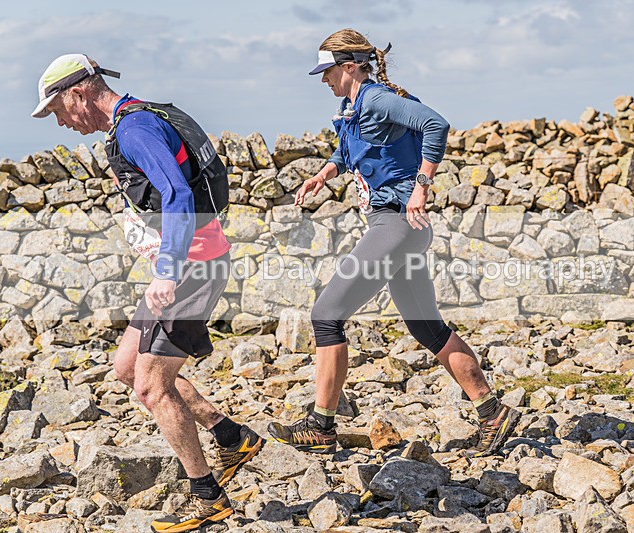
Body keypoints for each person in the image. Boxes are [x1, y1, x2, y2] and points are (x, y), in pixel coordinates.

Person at [32, 54, 263, 532]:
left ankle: (207, 498)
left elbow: (177, 194)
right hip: (186, 266)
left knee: (151, 387)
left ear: (78, 94)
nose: (60, 122)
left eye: (57, 110)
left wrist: (167, 270)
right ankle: (230, 435)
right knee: (126, 368)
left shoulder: (134, 129)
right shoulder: (136, 119)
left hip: (189, 270)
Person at [267, 29, 517, 458]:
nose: (322, 80)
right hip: (400, 228)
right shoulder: (354, 106)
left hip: (398, 225)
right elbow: (351, 152)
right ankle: (492, 412)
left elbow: (435, 124)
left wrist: (421, 186)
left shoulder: (376, 98)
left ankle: (321, 425)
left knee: (326, 315)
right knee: (426, 326)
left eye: (326, 71)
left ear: (348, 67)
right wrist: (324, 175)